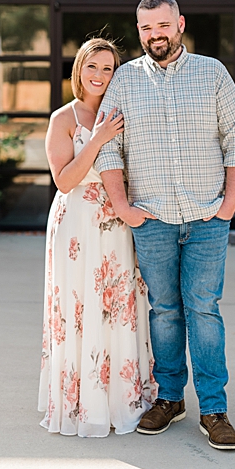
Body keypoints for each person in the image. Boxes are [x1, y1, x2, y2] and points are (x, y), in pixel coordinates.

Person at [95, 0, 235, 451]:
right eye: (146, 28)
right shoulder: (123, 80)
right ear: (139, 30)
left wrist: (229, 205)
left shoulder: (213, 73)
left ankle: (214, 408)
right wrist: (124, 207)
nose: (154, 35)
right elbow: (109, 148)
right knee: (164, 311)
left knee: (203, 308)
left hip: (207, 216)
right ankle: (168, 398)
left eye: (162, 26)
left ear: (179, 23)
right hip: (154, 219)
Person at [38, 37, 156, 437]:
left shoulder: (124, 111)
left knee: (119, 305)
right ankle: (81, 402)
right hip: (77, 224)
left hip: (117, 223)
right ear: (79, 70)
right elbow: (65, 179)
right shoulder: (63, 118)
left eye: (108, 69)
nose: (100, 76)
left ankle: (123, 398)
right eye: (93, 67)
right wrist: (99, 139)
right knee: (79, 307)